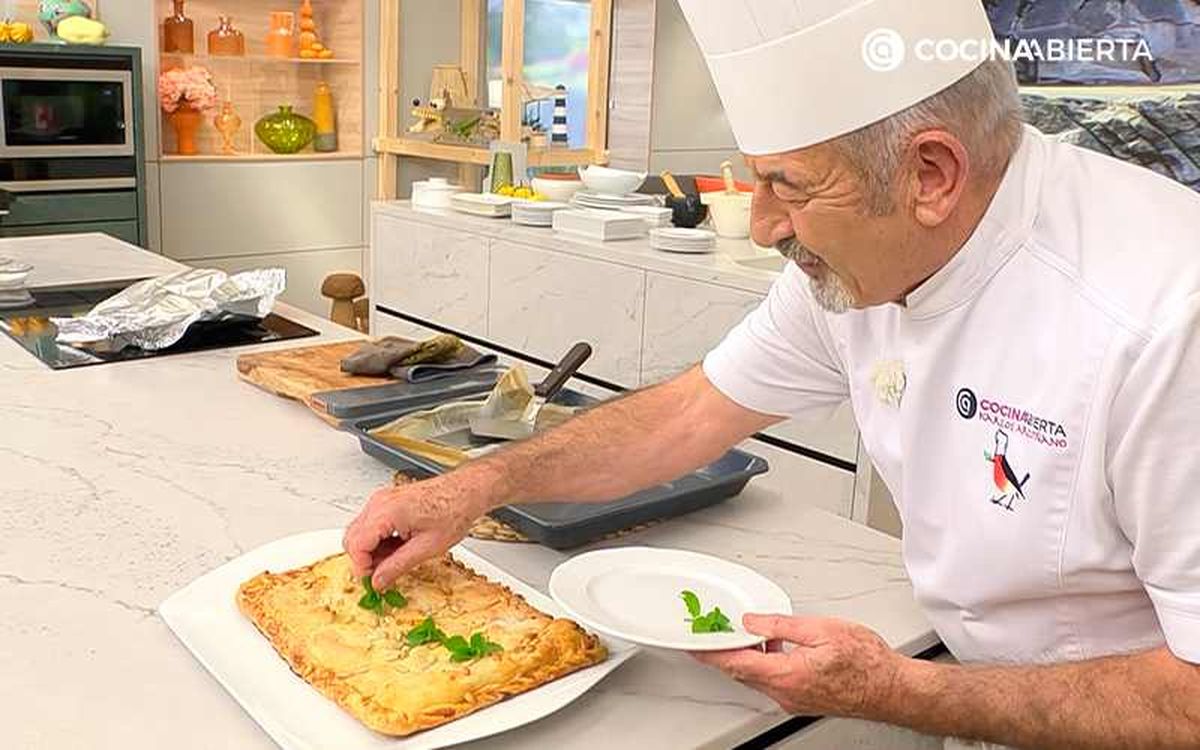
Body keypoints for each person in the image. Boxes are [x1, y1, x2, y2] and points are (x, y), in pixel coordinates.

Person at [346, 1, 1200, 746]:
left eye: (787, 188)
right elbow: (688, 415)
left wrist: (898, 691)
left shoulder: (1166, 317)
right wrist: (475, 488)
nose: (761, 227)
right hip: (986, 705)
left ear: (931, 175)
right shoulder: (856, 267)